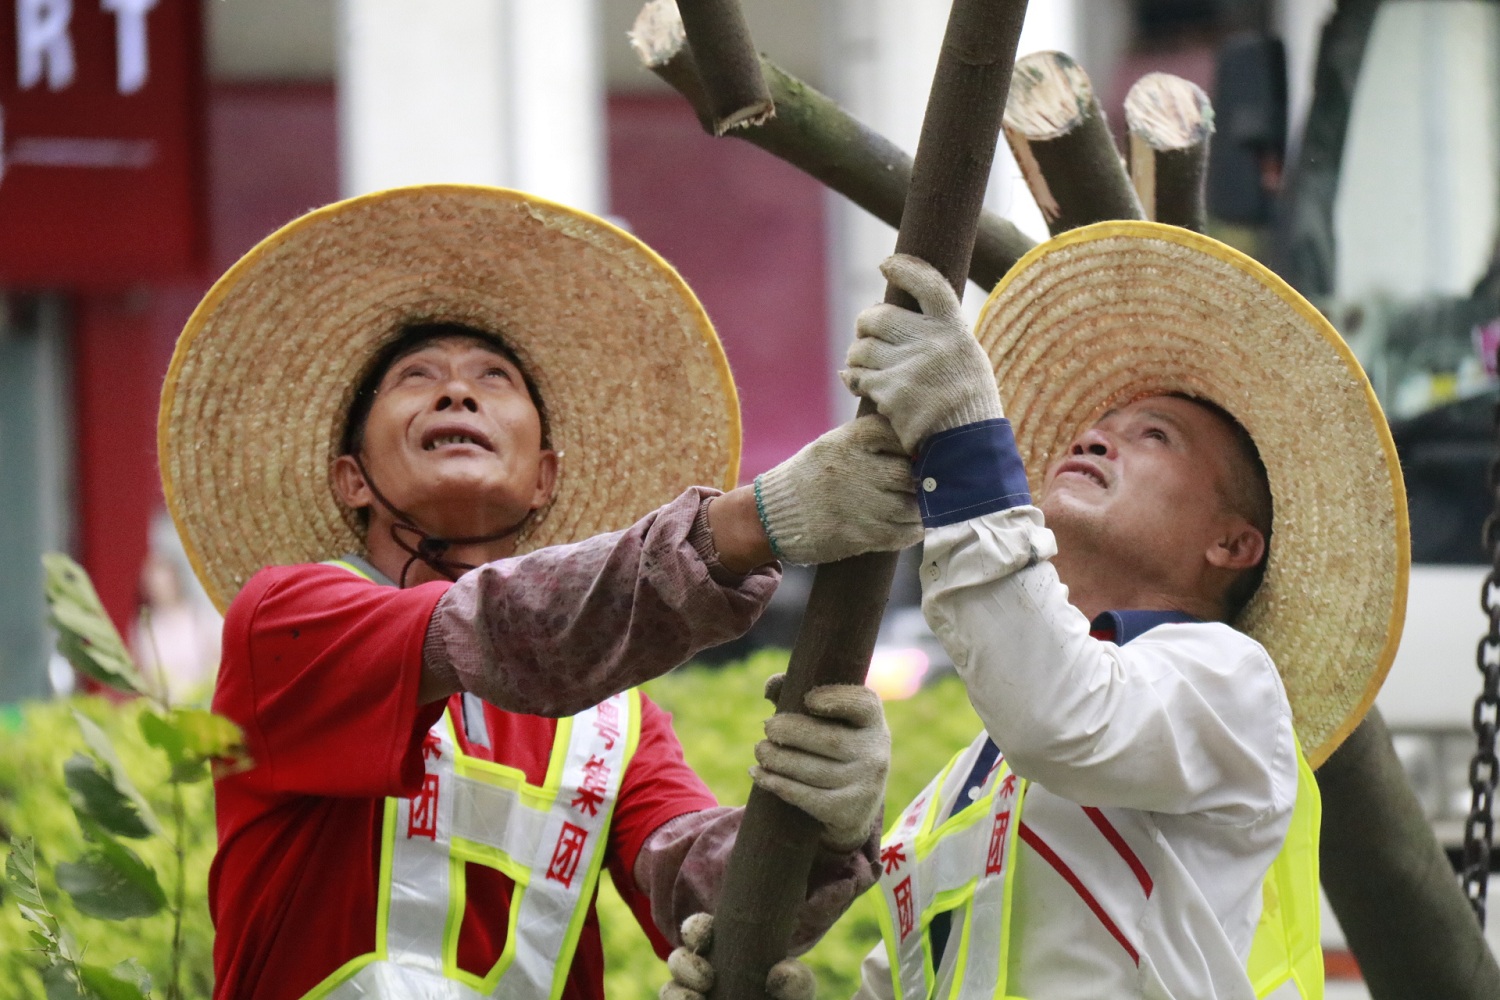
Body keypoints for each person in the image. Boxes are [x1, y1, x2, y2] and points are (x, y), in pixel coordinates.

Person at [159, 185, 924, 1000]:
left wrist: (822, 826)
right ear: (351, 480)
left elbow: (706, 896)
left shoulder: (620, 723)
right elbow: (510, 628)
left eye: (494, 379)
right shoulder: (287, 621)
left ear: (543, 480)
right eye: (417, 378)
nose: (457, 394)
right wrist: (752, 523)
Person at [664, 222, 1408, 999]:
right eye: (1097, 428)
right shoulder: (961, 788)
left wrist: (962, 440)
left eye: (1155, 435)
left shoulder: (1229, 684)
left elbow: (1063, 713)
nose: (1097, 438)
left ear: (1232, 544)